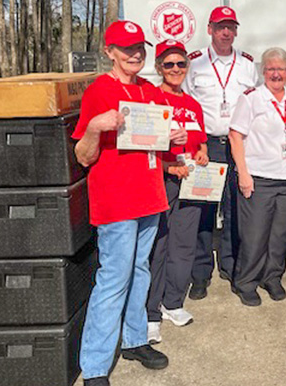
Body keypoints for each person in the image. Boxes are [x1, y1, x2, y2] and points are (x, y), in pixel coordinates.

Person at [73, 21, 187, 386]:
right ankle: (94, 365)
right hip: (116, 201)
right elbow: (83, 156)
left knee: (139, 272)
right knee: (113, 279)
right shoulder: (98, 92)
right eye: (126, 48)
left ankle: (135, 339)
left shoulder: (151, 92)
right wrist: (94, 128)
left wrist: (174, 136)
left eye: (139, 47)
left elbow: (156, 143)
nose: (135, 54)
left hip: (149, 196)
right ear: (110, 51)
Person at [183, 6, 259, 300]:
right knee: (203, 209)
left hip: (238, 144)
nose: (226, 32)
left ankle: (230, 266)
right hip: (207, 144)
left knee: (234, 209)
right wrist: (194, 144)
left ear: (236, 31)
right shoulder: (196, 63)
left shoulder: (247, 64)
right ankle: (201, 272)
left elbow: (253, 105)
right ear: (210, 29)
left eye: (231, 27)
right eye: (220, 27)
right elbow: (188, 107)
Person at [228, 47, 286, 306]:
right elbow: (235, 136)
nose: (276, 73)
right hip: (259, 178)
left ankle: (272, 276)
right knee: (255, 234)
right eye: (271, 68)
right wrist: (243, 175)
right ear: (263, 71)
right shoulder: (251, 99)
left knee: (281, 234)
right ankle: (246, 281)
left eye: (280, 69)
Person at [146, 40, 208, 344]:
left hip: (192, 180)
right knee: (158, 246)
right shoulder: (151, 97)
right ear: (159, 67)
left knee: (183, 244)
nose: (175, 70)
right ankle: (150, 313)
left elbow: (201, 140)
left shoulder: (193, 103)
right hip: (162, 179)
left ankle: (172, 302)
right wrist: (170, 169)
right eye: (168, 64)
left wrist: (203, 154)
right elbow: (141, 144)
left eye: (180, 64)